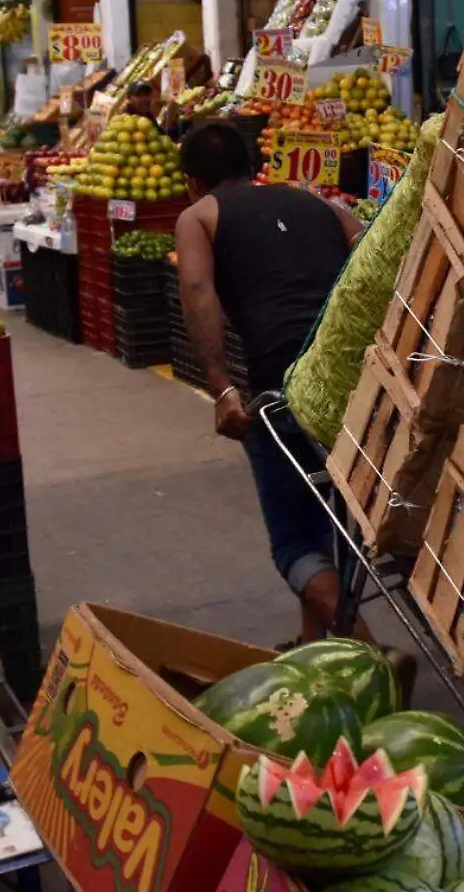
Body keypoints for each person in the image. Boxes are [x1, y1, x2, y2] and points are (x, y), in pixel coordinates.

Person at [175, 122, 366, 644]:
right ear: (252, 167)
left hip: (283, 382)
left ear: (193, 181)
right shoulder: (317, 204)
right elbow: (371, 254)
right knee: (335, 517)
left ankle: (371, 657)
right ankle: (313, 644)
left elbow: (196, 289)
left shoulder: (199, 216)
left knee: (293, 542)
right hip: (353, 372)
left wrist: (221, 386)